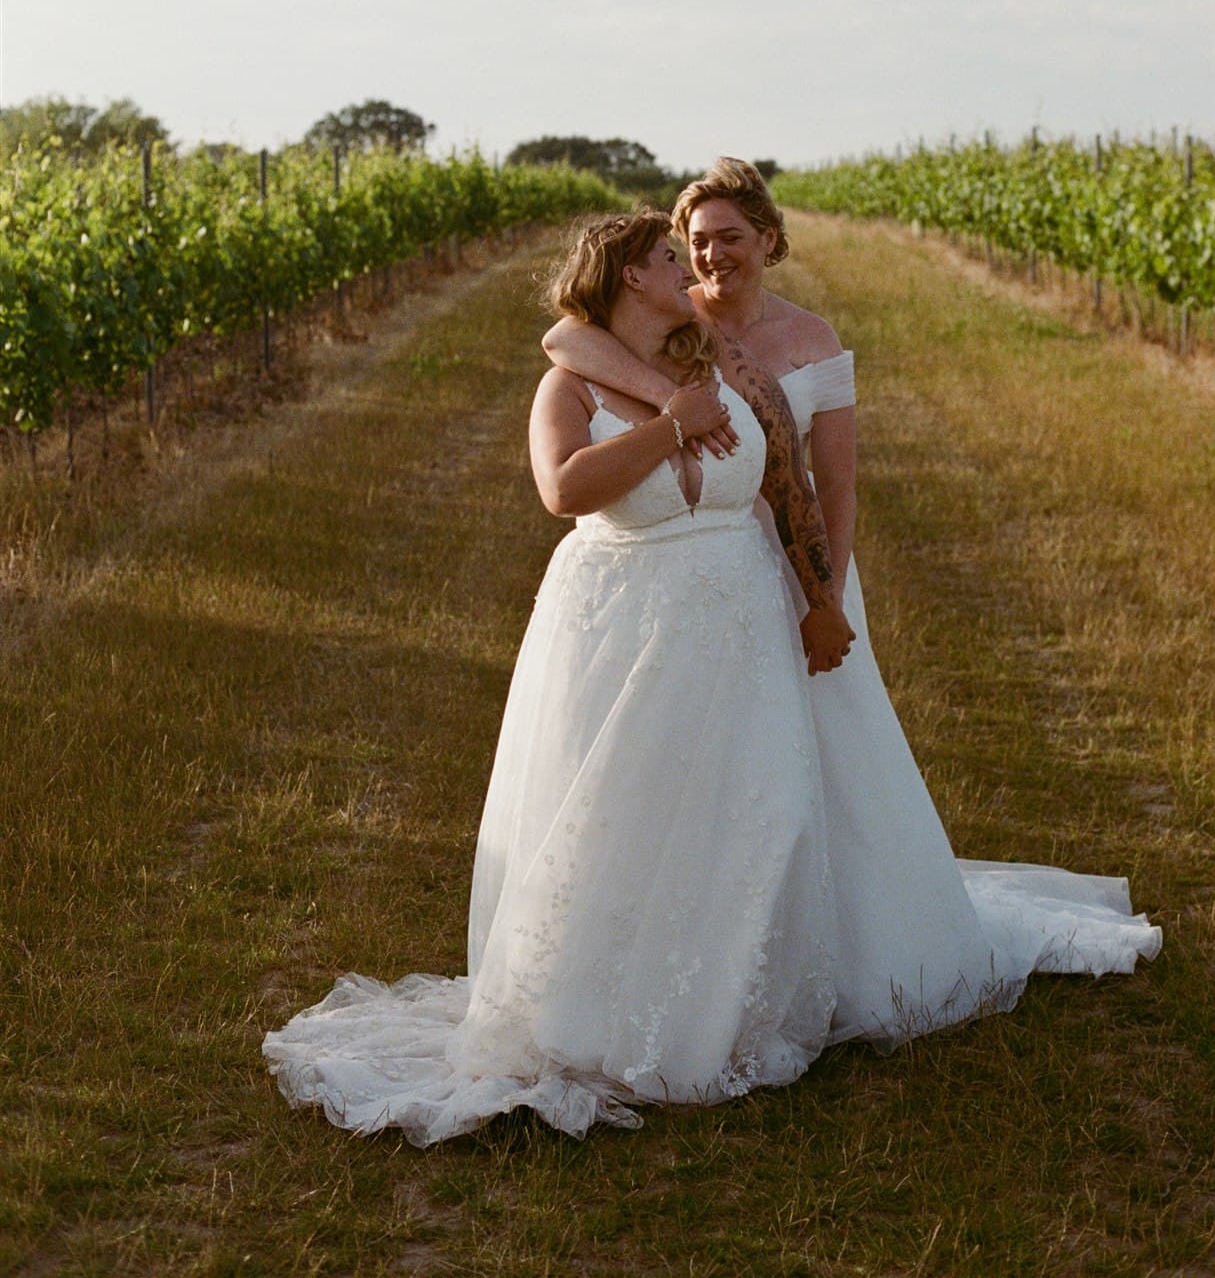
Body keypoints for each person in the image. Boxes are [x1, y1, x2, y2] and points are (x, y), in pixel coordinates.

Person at [263, 211, 855, 1142]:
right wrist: (670, 429)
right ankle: (607, 1017)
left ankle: (724, 1014)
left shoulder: (718, 365)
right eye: (668, 257)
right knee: (627, 816)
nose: (686, 266)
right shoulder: (569, 388)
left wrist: (823, 596)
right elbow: (564, 490)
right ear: (628, 279)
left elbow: (789, 481)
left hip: (739, 630)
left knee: (758, 810)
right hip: (629, 627)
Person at [543, 161, 1162, 1046]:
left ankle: (838, 938)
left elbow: (827, 480)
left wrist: (823, 591)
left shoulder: (805, 340)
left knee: (821, 752)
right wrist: (669, 408)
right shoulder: (673, 333)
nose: (708, 256)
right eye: (693, 242)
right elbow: (568, 345)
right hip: (703, 552)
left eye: (727, 237)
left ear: (767, 241)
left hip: (796, 561)